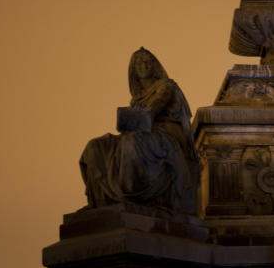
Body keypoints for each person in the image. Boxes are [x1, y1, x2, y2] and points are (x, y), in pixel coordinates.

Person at [79, 47, 200, 213]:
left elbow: (152, 110)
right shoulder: (135, 99)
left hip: (164, 134)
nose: (144, 65)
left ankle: (133, 196)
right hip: (141, 133)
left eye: (147, 61)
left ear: (154, 65)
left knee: (131, 142)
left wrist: (135, 118)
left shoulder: (166, 86)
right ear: (133, 69)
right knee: (95, 146)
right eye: (139, 62)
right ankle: (100, 201)